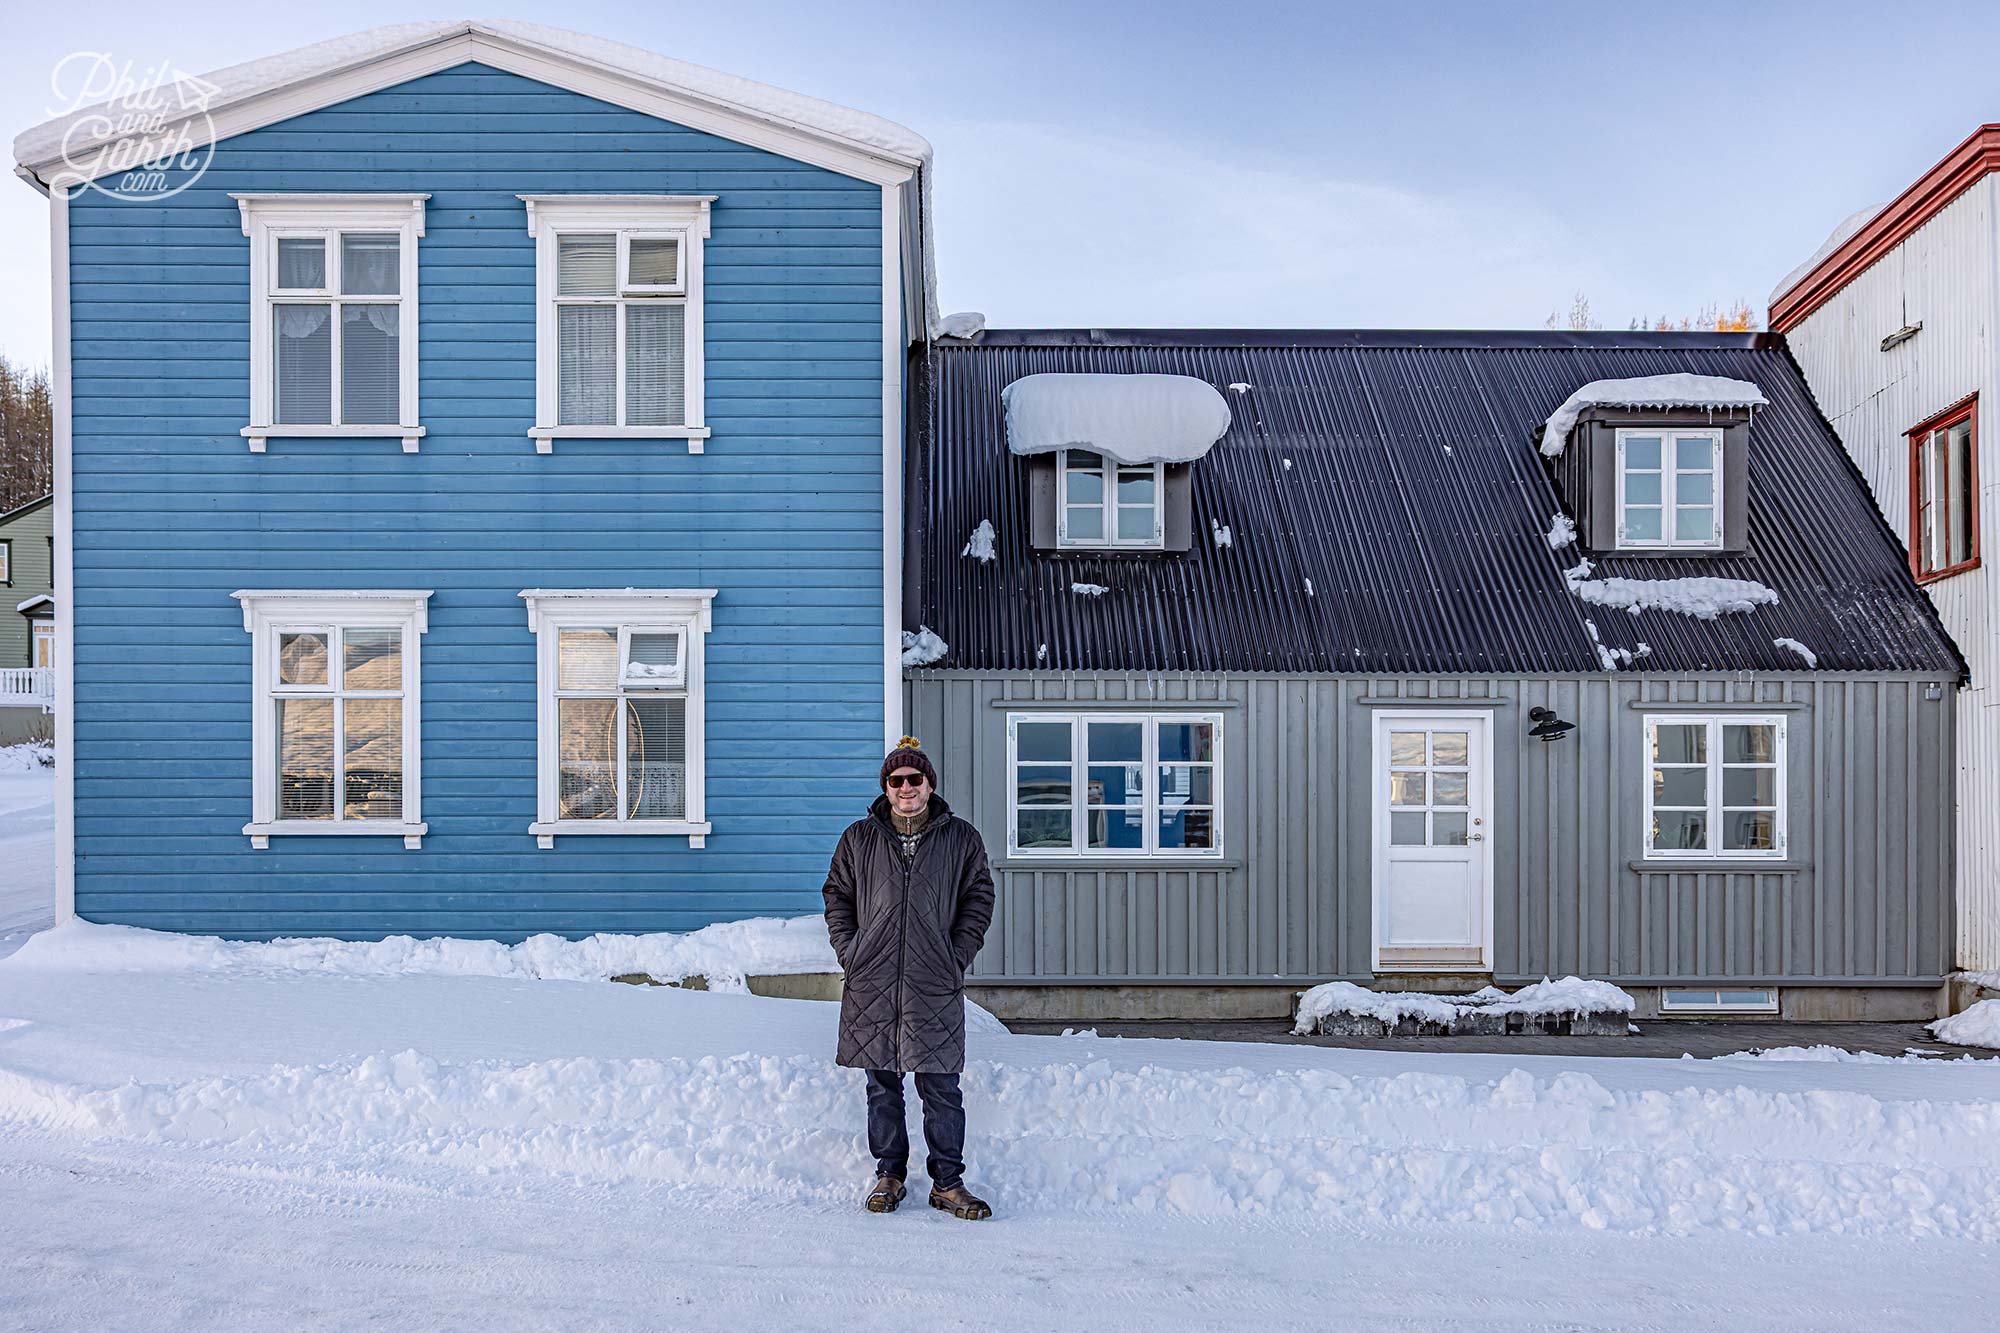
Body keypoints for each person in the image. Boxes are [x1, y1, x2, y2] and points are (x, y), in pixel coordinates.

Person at [822, 736, 996, 1219]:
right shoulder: (859, 838)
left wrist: (955, 954)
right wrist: (850, 951)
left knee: (941, 1084)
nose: (905, 788)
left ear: (928, 784)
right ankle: (890, 1174)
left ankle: (948, 1182)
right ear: (886, 787)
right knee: (882, 1084)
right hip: (872, 979)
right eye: (896, 780)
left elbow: (979, 897)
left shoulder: (960, 838)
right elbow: (836, 894)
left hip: (933, 979)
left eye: (913, 779)